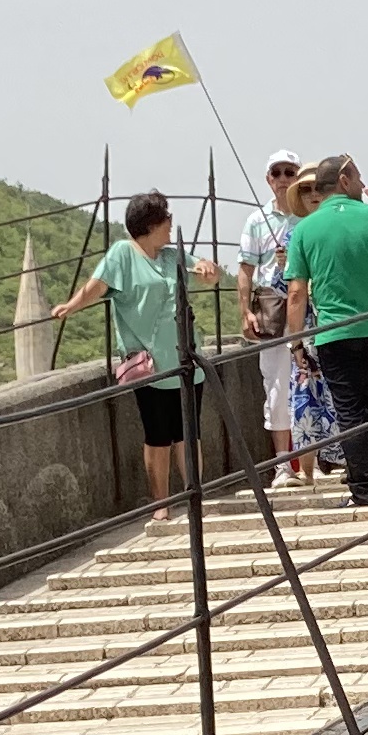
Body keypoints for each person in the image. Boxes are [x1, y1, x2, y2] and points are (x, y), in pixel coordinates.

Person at [50, 191, 222, 512]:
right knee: (158, 435)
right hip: (149, 363)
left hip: (184, 357)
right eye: (167, 218)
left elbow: (205, 273)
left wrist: (210, 270)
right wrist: (70, 307)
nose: (171, 224)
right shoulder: (122, 254)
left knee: (188, 432)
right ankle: (161, 504)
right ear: (151, 224)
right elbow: (97, 285)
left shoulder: (172, 255)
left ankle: (194, 499)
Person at [284, 154, 368, 509]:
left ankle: (362, 489)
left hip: (334, 332)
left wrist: (296, 343)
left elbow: (296, 293)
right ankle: (366, 474)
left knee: (349, 410)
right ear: (344, 180)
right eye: (358, 178)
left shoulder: (305, 229)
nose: (362, 185)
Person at [242, 151, 309, 483]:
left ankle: (312, 461)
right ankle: (283, 464)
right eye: (277, 172)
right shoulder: (256, 221)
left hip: (307, 307)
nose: (283, 179)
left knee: (311, 381)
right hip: (271, 310)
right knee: (277, 385)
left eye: (289, 172)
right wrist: (245, 311)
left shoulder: (308, 217)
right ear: (269, 179)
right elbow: (245, 269)